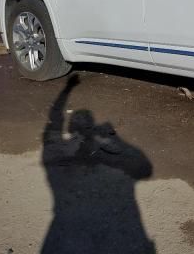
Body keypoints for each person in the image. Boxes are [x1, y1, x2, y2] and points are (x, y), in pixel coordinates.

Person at [41, 75, 155, 253]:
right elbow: (145, 170)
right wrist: (112, 140)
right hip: (111, 231)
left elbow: (54, 120)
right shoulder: (64, 152)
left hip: (67, 231)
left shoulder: (54, 152)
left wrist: (67, 89)